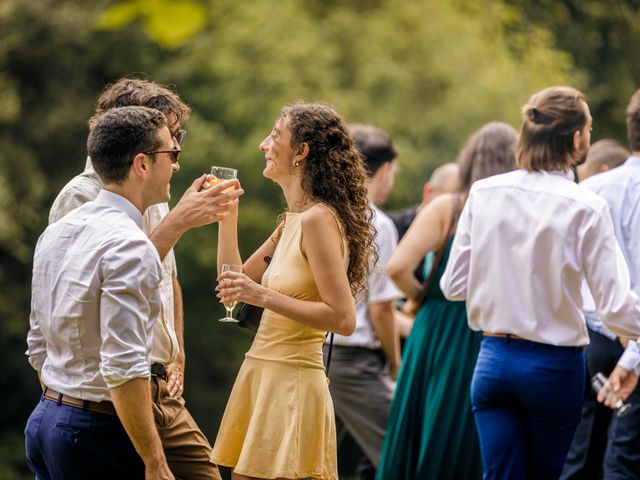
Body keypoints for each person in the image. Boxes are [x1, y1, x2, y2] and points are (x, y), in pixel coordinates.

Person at [440, 86, 640, 480]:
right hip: (552, 367)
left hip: (493, 360)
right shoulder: (586, 206)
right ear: (576, 138)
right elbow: (615, 308)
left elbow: (453, 285)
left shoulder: (484, 193)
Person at [47, 77, 241, 479]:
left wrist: (178, 352)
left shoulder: (153, 194)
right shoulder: (80, 197)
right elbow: (97, 288)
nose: (177, 153)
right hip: (112, 391)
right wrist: (178, 222)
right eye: (171, 138)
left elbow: (168, 280)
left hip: (161, 386)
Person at [210, 102, 374, 480]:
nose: (262, 145)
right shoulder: (291, 222)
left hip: (292, 384)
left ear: (301, 152)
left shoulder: (318, 220)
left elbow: (343, 318)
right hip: (261, 373)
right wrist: (227, 217)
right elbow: (232, 289)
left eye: (274, 136)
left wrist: (263, 296)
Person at [25, 106, 179, 479]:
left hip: (45, 420)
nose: (175, 165)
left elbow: (37, 345)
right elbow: (124, 367)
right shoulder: (130, 244)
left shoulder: (58, 231)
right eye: (171, 154)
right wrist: (156, 463)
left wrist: (64, 400)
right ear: (142, 164)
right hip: (96, 432)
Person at [378, 121, 517, 480]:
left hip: (437, 328)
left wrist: (423, 299)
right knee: (468, 433)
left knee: (426, 423)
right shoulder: (517, 212)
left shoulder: (449, 207)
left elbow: (397, 267)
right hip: (488, 331)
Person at [562, 89, 640, 480]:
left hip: (591, 338)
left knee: (579, 458)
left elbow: (573, 279)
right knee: (625, 459)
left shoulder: (589, 191)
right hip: (630, 343)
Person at [326, 124, 403, 480]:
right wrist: (395, 362)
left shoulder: (324, 214)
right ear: (384, 170)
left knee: (333, 462)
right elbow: (381, 308)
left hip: (318, 354)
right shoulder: (377, 223)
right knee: (400, 450)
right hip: (354, 361)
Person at [388, 162, 460, 241]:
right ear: (428, 192)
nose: (453, 211)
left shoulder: (455, 240)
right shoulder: (389, 226)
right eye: (448, 202)